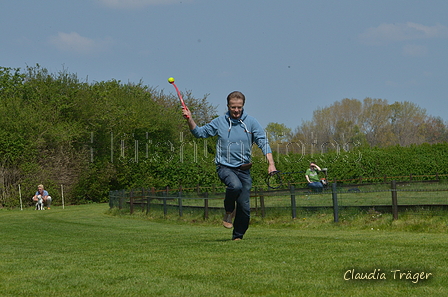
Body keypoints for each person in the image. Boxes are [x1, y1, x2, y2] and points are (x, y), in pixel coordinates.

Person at [182, 91, 276, 241]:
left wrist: (271, 164)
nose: (236, 110)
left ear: (243, 106)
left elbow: (264, 143)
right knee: (235, 186)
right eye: (233, 107)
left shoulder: (251, 122)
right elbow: (199, 133)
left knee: (245, 208)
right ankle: (228, 211)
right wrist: (190, 119)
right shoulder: (220, 122)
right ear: (228, 106)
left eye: (239, 107)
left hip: (244, 170)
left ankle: (237, 237)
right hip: (225, 167)